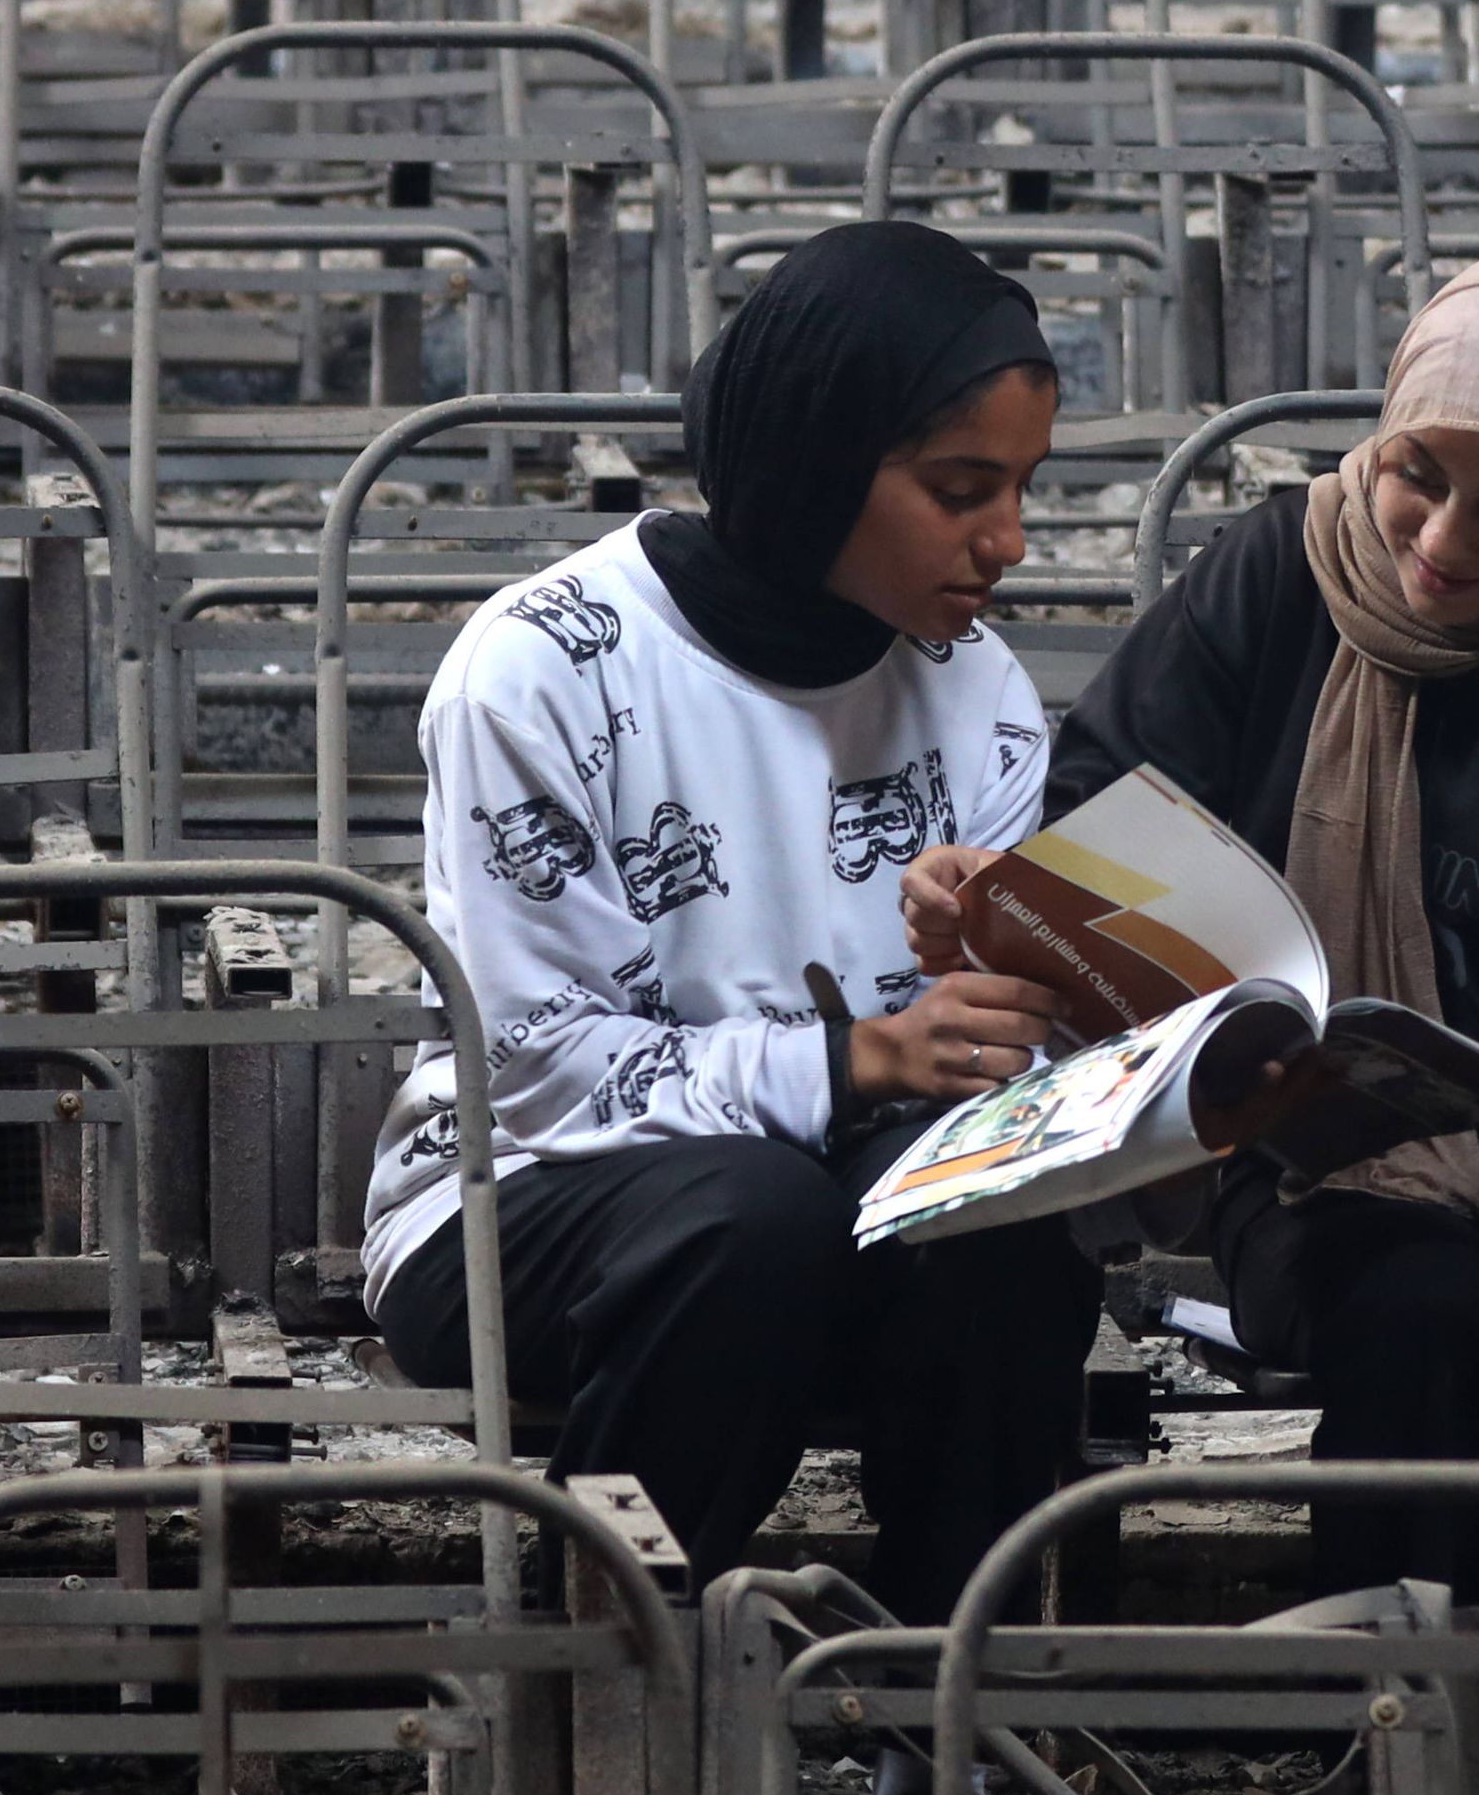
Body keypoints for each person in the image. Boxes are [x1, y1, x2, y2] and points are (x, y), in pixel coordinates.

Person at [943, 231, 1479, 1597]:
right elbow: (1105, 814)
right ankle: (1403, 1738)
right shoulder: (1275, 582)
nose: (1440, 541)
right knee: (1411, 1309)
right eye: (1419, 476)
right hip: (1306, 1150)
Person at [364, 217, 1101, 1652]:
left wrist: (1014, 976)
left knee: (1003, 1225)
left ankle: (938, 1732)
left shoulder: (976, 683)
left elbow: (991, 1072)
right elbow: (544, 1066)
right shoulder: (541, 667)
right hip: (520, 1193)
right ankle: (608, 1710)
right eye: (961, 490)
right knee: (756, 1224)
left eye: (1021, 490)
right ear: (817, 459)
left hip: (842, 1192)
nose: (1006, 542)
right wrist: (862, 1059)